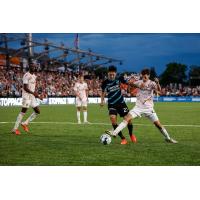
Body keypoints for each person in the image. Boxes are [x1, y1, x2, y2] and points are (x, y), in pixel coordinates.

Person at [106, 68, 178, 144]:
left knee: (158, 125)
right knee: (127, 118)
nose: (144, 77)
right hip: (138, 107)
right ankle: (114, 132)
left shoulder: (152, 83)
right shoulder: (139, 82)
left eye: (145, 76)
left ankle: (168, 138)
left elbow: (159, 91)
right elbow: (129, 90)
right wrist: (130, 83)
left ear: (148, 76)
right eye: (143, 76)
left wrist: (158, 83)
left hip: (149, 108)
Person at [100, 65, 137, 145]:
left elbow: (127, 84)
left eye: (113, 74)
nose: (112, 76)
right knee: (113, 120)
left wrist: (131, 85)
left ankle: (131, 135)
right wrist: (102, 101)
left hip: (121, 103)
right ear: (108, 73)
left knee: (129, 120)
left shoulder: (119, 79)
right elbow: (103, 92)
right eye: (110, 74)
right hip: (111, 104)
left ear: (115, 74)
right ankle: (123, 138)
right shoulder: (105, 83)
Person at [12, 61, 43, 135]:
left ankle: (25, 123)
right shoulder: (26, 75)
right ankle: (14, 129)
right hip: (26, 95)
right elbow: (25, 88)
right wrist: (34, 94)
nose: (33, 67)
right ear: (29, 67)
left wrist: (36, 94)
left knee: (37, 111)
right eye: (32, 66)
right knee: (23, 111)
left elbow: (32, 87)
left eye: (34, 66)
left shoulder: (34, 76)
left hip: (31, 95)